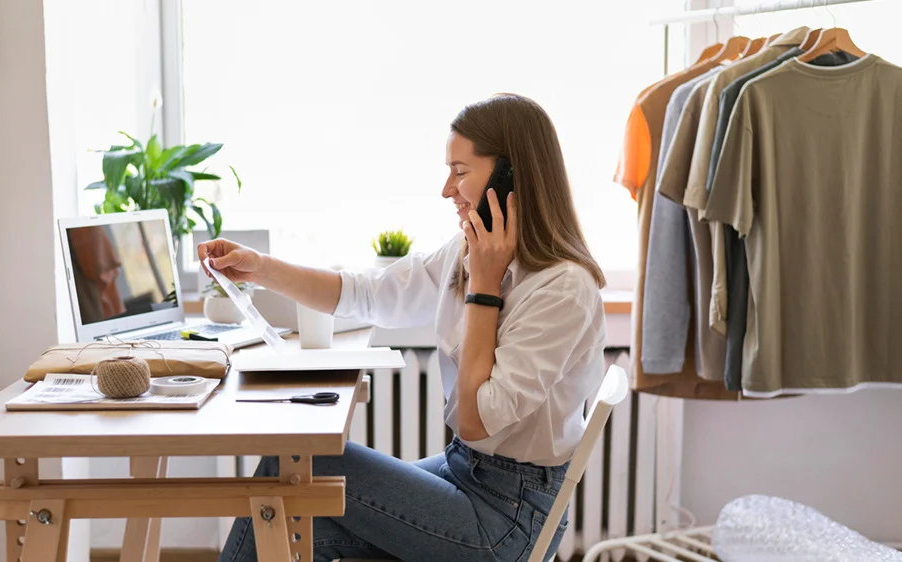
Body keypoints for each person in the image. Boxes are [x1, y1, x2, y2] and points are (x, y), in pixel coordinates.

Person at [201, 93, 607, 562]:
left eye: (459, 171)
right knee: (295, 517)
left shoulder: (562, 289)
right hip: (466, 475)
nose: (446, 189)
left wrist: (484, 290)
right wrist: (260, 268)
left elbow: (475, 423)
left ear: (509, 176)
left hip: (506, 520)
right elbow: (367, 294)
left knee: (292, 467)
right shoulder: (469, 251)